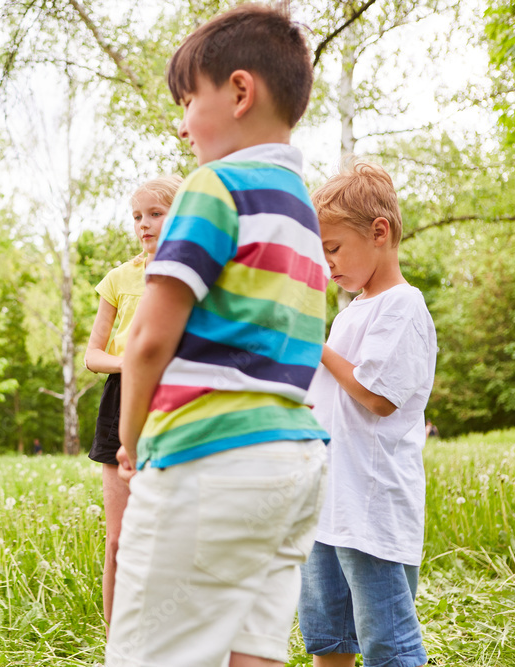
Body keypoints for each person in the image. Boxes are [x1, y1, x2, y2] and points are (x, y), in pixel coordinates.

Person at [107, 5, 330, 666]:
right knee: (251, 650)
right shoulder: (301, 210)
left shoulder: (213, 187)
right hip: (293, 465)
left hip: (210, 462)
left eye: (187, 102)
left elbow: (148, 339)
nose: (181, 125)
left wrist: (129, 440)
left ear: (239, 92)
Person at [298, 162, 436, 667]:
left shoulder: (402, 305)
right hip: (330, 506)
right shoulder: (351, 312)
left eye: (333, 248)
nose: (326, 264)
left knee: (388, 644)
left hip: (373, 509)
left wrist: (317, 347)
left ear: (379, 232)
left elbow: (378, 396)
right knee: (328, 637)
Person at [84, 174, 183, 630]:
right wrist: (136, 363)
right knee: (119, 539)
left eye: (156, 214)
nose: (144, 224)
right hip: (122, 401)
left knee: (172, 536)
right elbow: (93, 355)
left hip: (179, 403)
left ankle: (168, 636)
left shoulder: (198, 276)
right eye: (137, 216)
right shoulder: (119, 279)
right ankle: (116, 642)